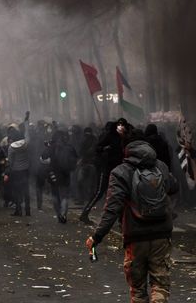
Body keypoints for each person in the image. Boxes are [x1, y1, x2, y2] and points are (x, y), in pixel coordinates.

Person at [86, 140, 178, 303]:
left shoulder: (121, 172)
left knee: (138, 290)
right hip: (161, 235)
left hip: (135, 237)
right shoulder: (161, 167)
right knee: (160, 285)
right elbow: (174, 186)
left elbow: (112, 209)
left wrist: (96, 237)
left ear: (127, 154)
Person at [80, 118, 131, 224]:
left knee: (122, 193)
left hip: (120, 169)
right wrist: (105, 149)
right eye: (119, 126)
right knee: (99, 192)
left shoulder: (126, 137)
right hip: (106, 168)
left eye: (123, 126)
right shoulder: (109, 136)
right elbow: (97, 148)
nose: (121, 128)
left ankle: (122, 220)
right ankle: (85, 214)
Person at [41, 130, 77, 223]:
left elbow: (42, 158)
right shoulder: (69, 147)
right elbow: (75, 159)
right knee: (64, 196)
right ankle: (63, 215)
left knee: (55, 195)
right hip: (65, 174)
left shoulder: (51, 147)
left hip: (53, 173)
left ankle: (58, 215)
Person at [5, 111, 31, 216]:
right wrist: (26, 121)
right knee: (26, 191)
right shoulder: (26, 143)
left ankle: (18, 210)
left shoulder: (11, 148)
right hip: (26, 170)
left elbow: (10, 162)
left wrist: (7, 172)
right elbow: (27, 133)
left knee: (17, 191)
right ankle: (28, 210)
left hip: (16, 171)